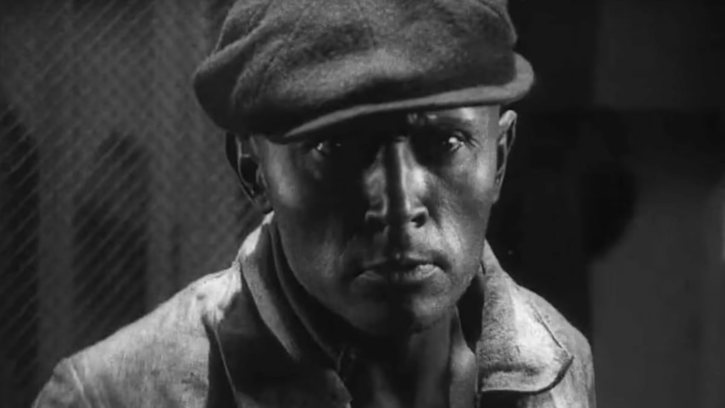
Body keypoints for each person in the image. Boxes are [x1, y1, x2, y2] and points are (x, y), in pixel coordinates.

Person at [34, 0, 595, 407]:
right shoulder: (109, 396)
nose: (399, 203)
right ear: (253, 170)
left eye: (445, 142)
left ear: (499, 157)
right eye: (337, 148)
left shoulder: (555, 360)